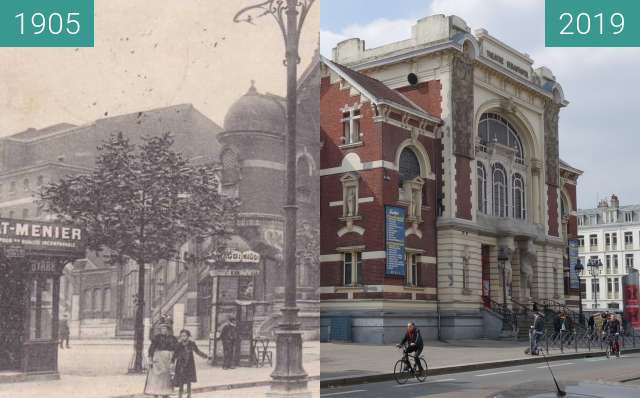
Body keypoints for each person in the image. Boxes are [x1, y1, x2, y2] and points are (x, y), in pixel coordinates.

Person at [173, 329, 210, 398]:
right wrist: (172, 362)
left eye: (184, 336)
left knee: (188, 380)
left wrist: (206, 356)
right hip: (180, 364)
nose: (183, 337)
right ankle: (180, 395)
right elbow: (175, 354)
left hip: (189, 364)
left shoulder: (191, 343)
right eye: (182, 336)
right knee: (180, 380)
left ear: (188, 336)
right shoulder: (178, 344)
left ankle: (189, 395)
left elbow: (198, 351)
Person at [145, 323, 177, 398]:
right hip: (158, 359)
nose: (164, 330)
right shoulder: (157, 338)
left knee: (166, 377)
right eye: (162, 328)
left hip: (168, 359)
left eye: (165, 328)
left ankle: (165, 394)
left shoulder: (172, 338)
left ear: (168, 329)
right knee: (156, 377)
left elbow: (176, 349)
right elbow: (151, 348)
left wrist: (173, 360)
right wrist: (150, 359)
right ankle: (155, 393)